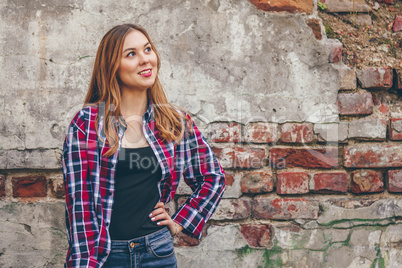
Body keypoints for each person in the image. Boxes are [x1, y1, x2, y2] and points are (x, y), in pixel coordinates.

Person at [62, 24, 225, 268]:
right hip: (105, 256)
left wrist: (180, 222)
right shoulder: (87, 124)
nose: (144, 60)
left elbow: (212, 177)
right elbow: (80, 208)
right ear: (112, 66)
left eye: (147, 50)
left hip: (157, 253)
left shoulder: (174, 121)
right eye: (131, 54)